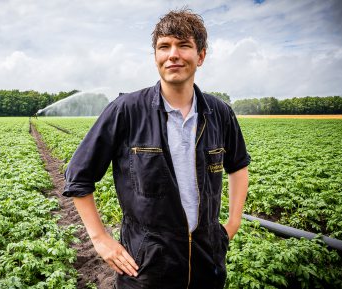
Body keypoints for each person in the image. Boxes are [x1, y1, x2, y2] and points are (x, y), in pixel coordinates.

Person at [63, 8, 250, 289]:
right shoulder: (126, 111)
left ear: (200, 56)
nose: (173, 54)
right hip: (145, 270)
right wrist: (101, 240)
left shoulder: (219, 113)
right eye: (164, 46)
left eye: (183, 45)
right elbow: (78, 177)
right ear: (155, 57)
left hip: (206, 265)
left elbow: (238, 166)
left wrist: (231, 224)